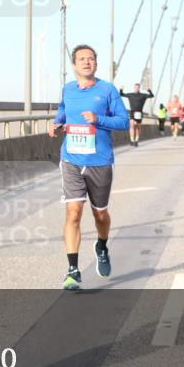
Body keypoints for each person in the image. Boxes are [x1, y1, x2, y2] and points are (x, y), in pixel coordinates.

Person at [49, 45, 129, 291]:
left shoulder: (107, 90)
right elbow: (63, 111)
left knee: (100, 215)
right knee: (73, 213)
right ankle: (73, 271)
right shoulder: (68, 89)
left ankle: (102, 246)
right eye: (82, 59)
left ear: (96, 64)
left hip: (100, 161)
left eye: (91, 59)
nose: (86, 62)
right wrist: (56, 123)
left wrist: (98, 119)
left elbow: (124, 121)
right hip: (71, 159)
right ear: (74, 65)